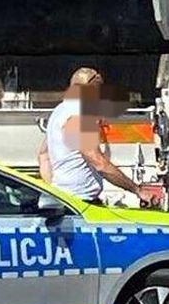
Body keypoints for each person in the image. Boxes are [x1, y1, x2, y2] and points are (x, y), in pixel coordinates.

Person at [37, 68, 155, 206]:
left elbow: (43, 155)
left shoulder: (58, 113)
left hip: (65, 201)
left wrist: (56, 190)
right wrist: (137, 190)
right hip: (80, 203)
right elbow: (99, 163)